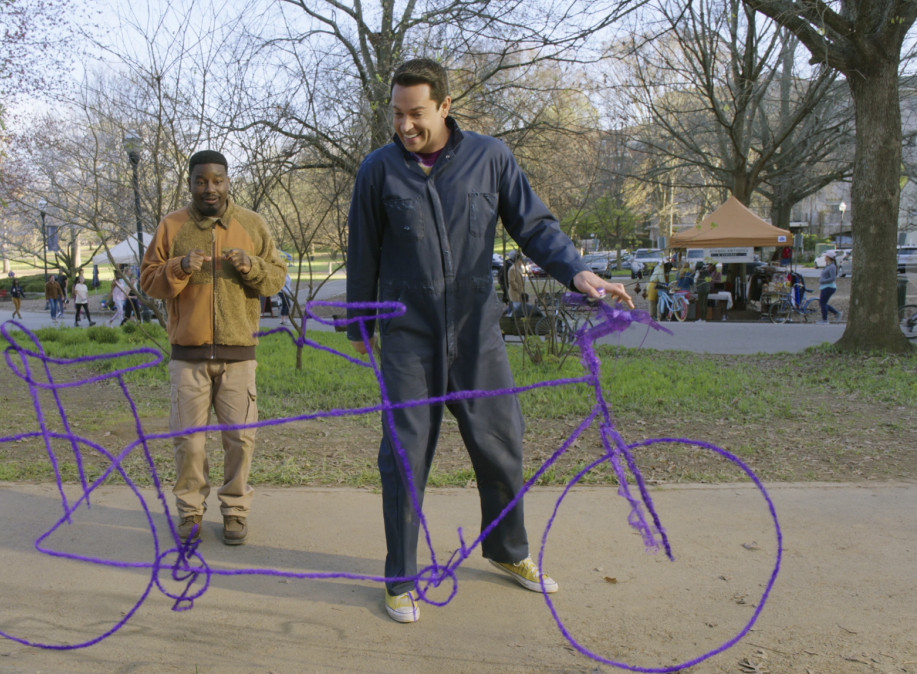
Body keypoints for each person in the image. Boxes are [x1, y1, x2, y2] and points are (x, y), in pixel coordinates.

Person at [345, 59, 632, 623]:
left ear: (445, 106)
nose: (405, 126)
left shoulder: (490, 158)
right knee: (402, 457)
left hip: (477, 332)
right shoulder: (377, 171)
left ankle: (507, 550)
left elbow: (535, 227)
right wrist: (360, 324)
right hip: (409, 337)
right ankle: (400, 578)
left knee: (503, 443)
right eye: (398, 114)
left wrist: (578, 271)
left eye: (417, 114)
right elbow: (363, 253)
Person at [141, 150, 287, 546]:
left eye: (217, 180)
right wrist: (180, 267)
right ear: (189, 183)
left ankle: (235, 511)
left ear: (227, 181)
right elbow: (149, 281)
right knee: (189, 440)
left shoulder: (252, 224)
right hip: (187, 356)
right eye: (201, 181)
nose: (210, 188)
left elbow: (275, 278)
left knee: (240, 438)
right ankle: (190, 512)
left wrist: (250, 266)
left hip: (239, 355)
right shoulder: (172, 226)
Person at [816, 249, 842, 324]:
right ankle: (836, 313)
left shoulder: (832, 267)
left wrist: (823, 280)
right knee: (822, 303)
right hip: (825, 287)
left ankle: (825, 320)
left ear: (828, 257)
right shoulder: (828, 266)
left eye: (825, 256)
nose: (824, 257)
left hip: (829, 287)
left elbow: (833, 278)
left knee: (822, 303)